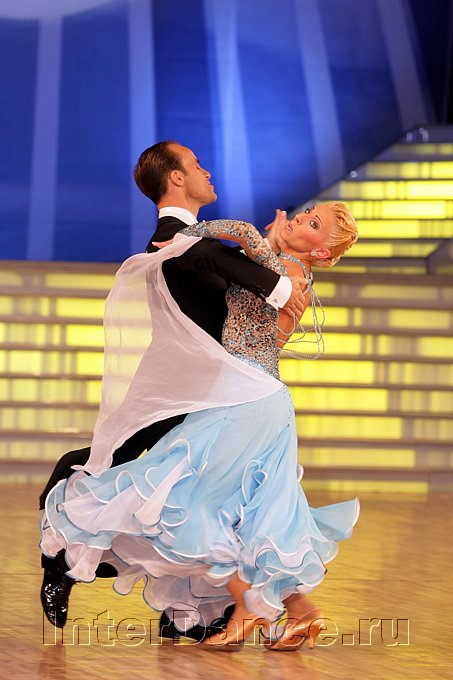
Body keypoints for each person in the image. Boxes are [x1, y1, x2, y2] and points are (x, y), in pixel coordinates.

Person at [40, 200, 359, 651]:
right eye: (307, 212)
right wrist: (270, 241)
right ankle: (302, 611)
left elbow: (243, 233)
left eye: (312, 223)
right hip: (260, 397)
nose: (299, 219)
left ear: (321, 251)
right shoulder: (295, 275)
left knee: (185, 500)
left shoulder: (281, 270)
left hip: (242, 398)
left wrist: (188, 237)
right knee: (243, 515)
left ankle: (247, 603)